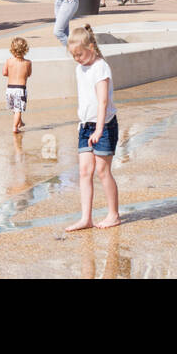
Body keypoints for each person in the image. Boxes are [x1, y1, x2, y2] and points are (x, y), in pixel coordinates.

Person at [65, 23, 120, 231]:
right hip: (85, 126)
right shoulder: (80, 68)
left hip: (104, 125)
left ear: (91, 48)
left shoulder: (101, 67)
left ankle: (113, 214)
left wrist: (98, 129)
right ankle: (85, 218)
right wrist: (84, 124)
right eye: (74, 56)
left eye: (79, 54)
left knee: (103, 170)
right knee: (84, 172)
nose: (77, 59)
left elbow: (102, 101)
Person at [2, 36, 32, 134]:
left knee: (15, 108)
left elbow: (4, 73)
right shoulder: (28, 63)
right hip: (20, 89)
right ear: (25, 49)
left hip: (10, 89)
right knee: (18, 109)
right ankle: (15, 127)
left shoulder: (9, 61)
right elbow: (29, 74)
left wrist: (11, 73)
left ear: (12, 49)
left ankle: (20, 122)